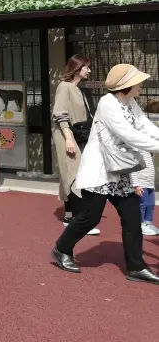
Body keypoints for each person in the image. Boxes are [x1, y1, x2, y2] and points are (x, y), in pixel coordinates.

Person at [52, 64, 159, 285]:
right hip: (101, 170)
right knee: (90, 217)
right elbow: (128, 134)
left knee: (132, 217)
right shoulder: (108, 103)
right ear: (127, 85)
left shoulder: (129, 103)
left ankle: (136, 267)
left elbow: (145, 126)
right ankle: (61, 249)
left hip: (120, 171)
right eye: (138, 82)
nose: (141, 85)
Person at [53, 55, 98, 234]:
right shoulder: (64, 87)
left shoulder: (78, 89)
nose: (89, 70)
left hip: (77, 135)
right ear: (77, 68)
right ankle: (79, 220)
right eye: (86, 67)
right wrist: (69, 138)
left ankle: (70, 214)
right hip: (67, 136)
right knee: (74, 173)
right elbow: (60, 113)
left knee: (70, 172)